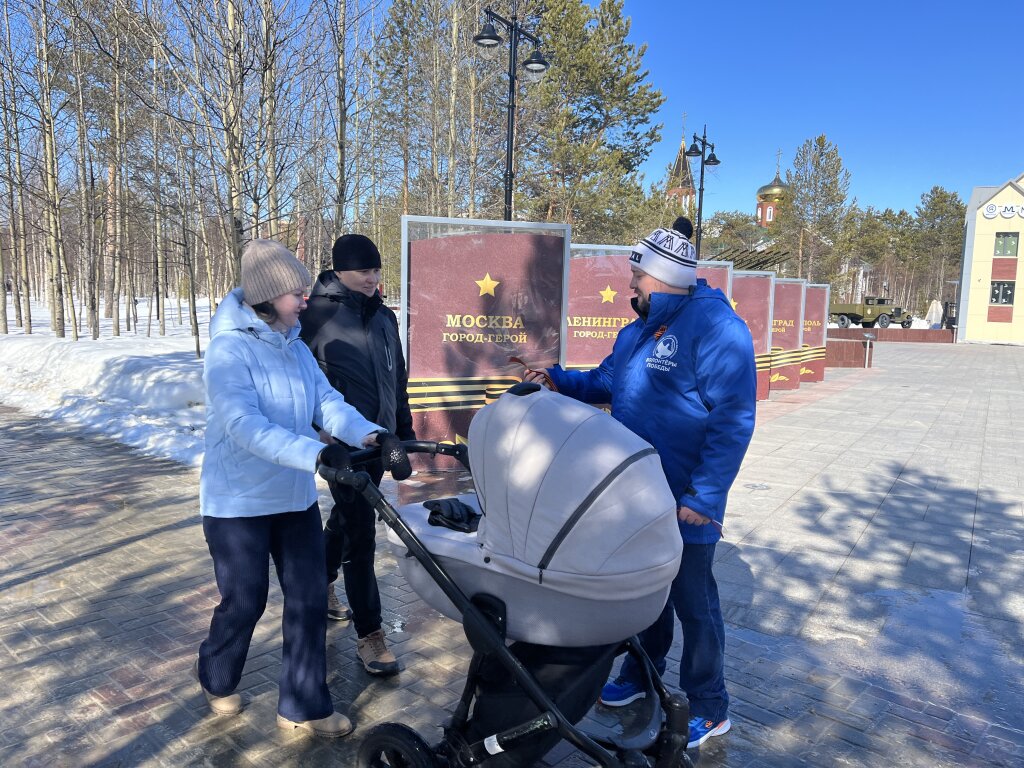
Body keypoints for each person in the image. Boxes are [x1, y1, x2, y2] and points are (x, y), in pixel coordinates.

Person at [524, 226, 756, 749]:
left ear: (665, 278)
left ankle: (709, 704)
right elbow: (608, 380)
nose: (632, 285)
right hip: (635, 494)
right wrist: (559, 379)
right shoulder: (637, 332)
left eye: (638, 275)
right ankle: (641, 674)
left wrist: (706, 495)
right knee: (642, 592)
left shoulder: (718, 329)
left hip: (686, 501)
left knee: (694, 603)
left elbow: (734, 419)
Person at [197, 239, 404, 737]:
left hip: (292, 498)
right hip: (238, 503)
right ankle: (217, 676)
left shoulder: (293, 346)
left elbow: (327, 403)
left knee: (309, 599)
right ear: (268, 296)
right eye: (295, 293)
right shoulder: (229, 351)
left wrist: (370, 433)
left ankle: (304, 705)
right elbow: (244, 426)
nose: (305, 301)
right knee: (244, 602)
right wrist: (315, 453)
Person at [299, 233, 415, 677]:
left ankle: (322, 580)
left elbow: (396, 379)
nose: (371, 279)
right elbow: (302, 388)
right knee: (361, 532)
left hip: (378, 440)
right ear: (340, 270)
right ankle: (371, 636)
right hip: (342, 447)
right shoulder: (315, 317)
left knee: (346, 522)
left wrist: (401, 432)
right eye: (362, 271)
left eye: (375, 270)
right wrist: (320, 440)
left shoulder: (385, 317)